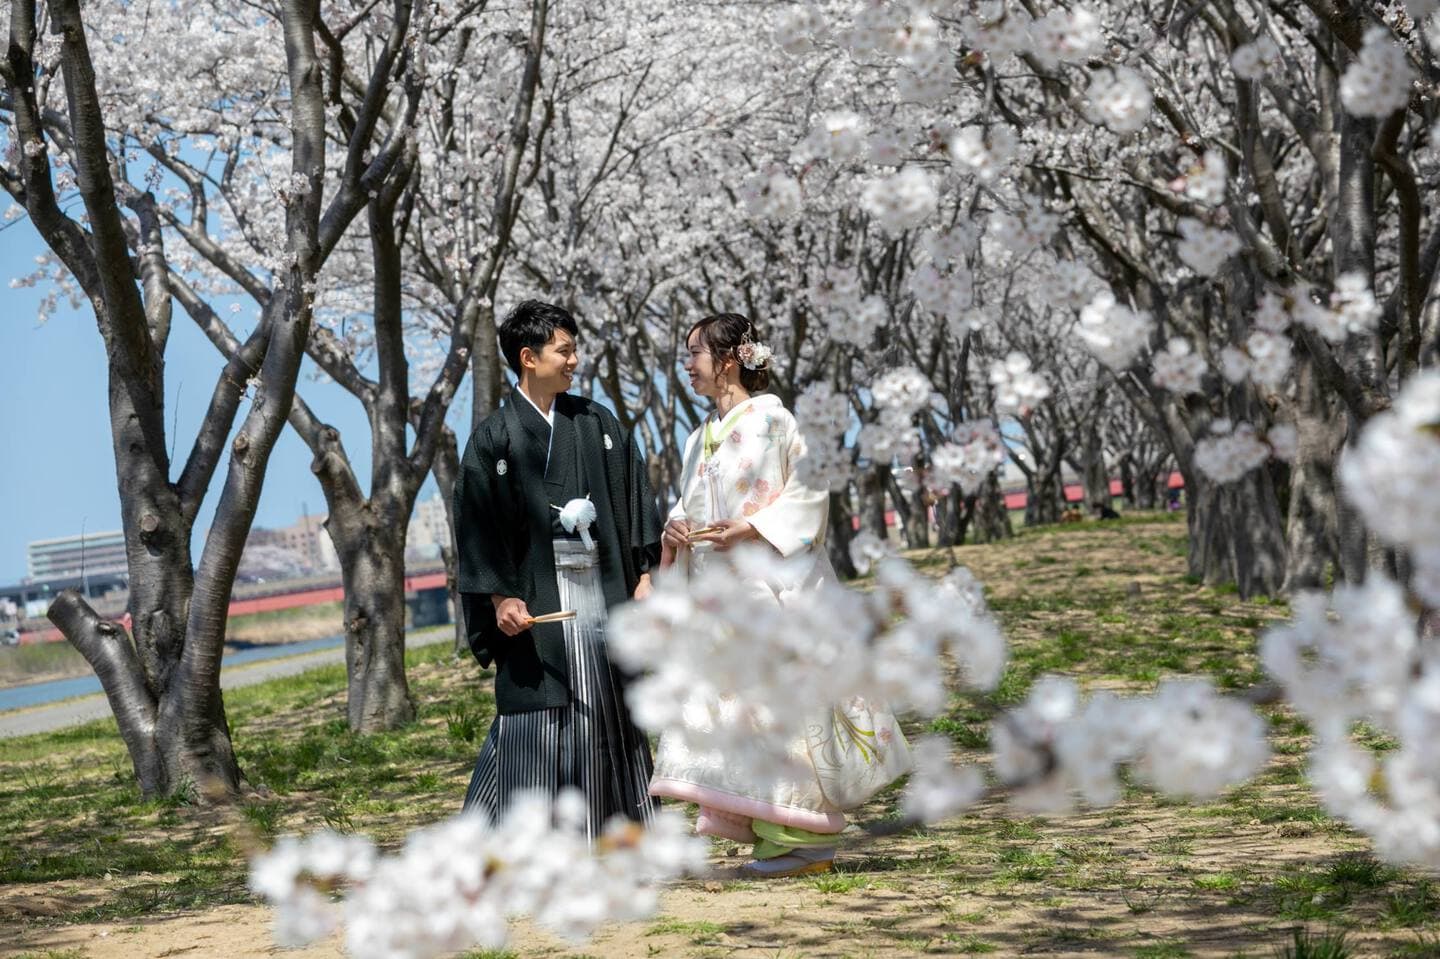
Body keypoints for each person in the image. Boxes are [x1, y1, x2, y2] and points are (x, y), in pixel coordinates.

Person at [649, 312, 910, 878]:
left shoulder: (776, 421)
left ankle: (804, 842)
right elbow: (690, 502)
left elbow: (811, 492)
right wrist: (673, 529)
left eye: (693, 354)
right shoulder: (698, 437)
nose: (686, 366)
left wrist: (752, 527)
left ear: (726, 361)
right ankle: (771, 837)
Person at [453, 300, 662, 839]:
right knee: (539, 705)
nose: (574, 360)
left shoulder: (596, 423)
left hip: (603, 584)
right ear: (529, 357)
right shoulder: (494, 438)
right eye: (564, 350)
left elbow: (635, 497)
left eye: (573, 349)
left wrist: (644, 574)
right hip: (536, 594)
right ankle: (529, 838)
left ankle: (617, 830)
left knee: (608, 703)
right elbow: (476, 527)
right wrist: (499, 598)